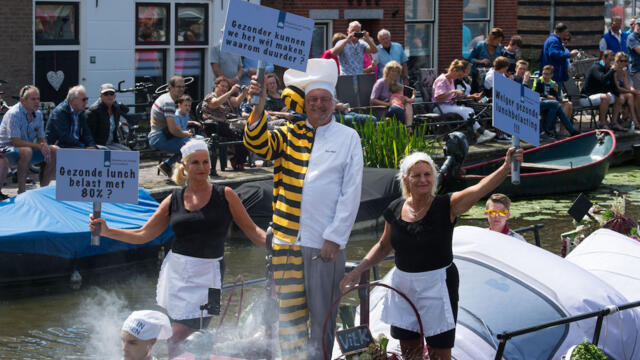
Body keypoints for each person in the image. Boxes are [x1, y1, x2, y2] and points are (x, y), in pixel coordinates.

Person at [340, 147, 523, 360]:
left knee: (440, 353)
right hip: (403, 285)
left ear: (434, 177)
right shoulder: (395, 208)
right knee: (410, 352)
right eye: (416, 175)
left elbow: (480, 189)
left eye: (427, 174)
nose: (422, 180)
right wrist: (357, 271)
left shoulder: (447, 205)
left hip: (438, 285)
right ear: (406, 179)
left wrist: (505, 167)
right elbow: (383, 246)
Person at [90, 139, 266, 358]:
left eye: (205, 162)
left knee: (183, 338)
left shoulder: (226, 194)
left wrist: (277, 245)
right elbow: (144, 234)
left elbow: (253, 231)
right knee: (184, 340)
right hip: (177, 276)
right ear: (184, 165)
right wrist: (107, 231)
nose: (202, 167)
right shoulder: (174, 199)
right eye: (195, 163)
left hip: (211, 277)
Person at [244, 58, 363, 359]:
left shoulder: (348, 138)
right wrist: (258, 104)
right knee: (289, 321)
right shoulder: (287, 133)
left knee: (323, 319)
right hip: (286, 243)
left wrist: (335, 237)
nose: (319, 105)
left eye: (324, 99)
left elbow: (351, 194)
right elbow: (257, 143)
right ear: (305, 103)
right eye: (313, 100)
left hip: (324, 244)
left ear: (333, 103)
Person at [0, 85, 57, 194]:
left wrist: (44, 146)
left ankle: (43, 190)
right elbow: (16, 142)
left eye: (38, 98)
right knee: (26, 151)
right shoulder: (14, 114)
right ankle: (21, 191)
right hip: (6, 150)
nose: (37, 102)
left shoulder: (38, 114)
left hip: (26, 149)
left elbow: (41, 137)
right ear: (23, 100)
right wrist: (39, 146)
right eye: (33, 99)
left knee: (54, 150)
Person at [432, 59, 496, 144]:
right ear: (454, 70)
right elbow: (438, 97)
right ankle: (483, 133)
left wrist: (458, 96)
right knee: (470, 110)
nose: (459, 77)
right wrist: (454, 92)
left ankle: (478, 135)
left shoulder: (454, 80)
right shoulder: (443, 80)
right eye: (458, 75)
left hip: (453, 104)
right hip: (441, 106)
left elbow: (451, 96)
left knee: (473, 110)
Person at [147, 76, 192, 177]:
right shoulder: (168, 102)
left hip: (162, 136)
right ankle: (183, 174)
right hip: (159, 138)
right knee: (192, 146)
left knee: (193, 143)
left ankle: (167, 165)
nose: (181, 89)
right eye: (178, 87)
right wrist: (186, 134)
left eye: (183, 87)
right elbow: (173, 130)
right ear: (170, 87)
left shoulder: (166, 98)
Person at [202, 76, 250, 170]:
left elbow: (236, 102)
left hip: (226, 125)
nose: (224, 89)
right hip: (213, 125)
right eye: (222, 86)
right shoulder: (210, 96)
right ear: (216, 86)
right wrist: (231, 91)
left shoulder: (227, 97)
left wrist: (244, 92)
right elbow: (215, 103)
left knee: (245, 133)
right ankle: (237, 161)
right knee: (237, 133)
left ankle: (238, 160)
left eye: (226, 87)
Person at [582, 50, 626, 130]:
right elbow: (602, 79)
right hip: (587, 97)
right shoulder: (596, 67)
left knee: (619, 97)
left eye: (612, 60)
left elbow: (613, 86)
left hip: (600, 96)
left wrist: (619, 95)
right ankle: (602, 123)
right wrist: (612, 70)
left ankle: (614, 122)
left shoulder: (609, 69)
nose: (611, 62)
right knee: (605, 97)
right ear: (603, 58)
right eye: (609, 60)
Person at [532, 65, 580, 139]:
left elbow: (556, 96)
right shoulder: (538, 81)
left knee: (562, 105)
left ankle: (548, 131)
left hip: (551, 103)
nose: (545, 76)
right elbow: (534, 93)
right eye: (543, 73)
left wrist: (554, 91)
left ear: (551, 75)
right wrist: (546, 96)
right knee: (556, 105)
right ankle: (570, 130)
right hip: (539, 102)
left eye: (547, 74)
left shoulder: (553, 83)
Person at [46, 85, 96, 149]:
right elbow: (64, 136)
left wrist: (92, 146)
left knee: (102, 150)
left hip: (76, 145)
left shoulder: (81, 112)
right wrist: (83, 146)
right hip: (60, 146)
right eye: (84, 100)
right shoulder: (59, 112)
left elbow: (87, 133)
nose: (86, 102)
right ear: (74, 100)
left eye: (87, 99)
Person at [86, 83, 131, 151]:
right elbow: (88, 134)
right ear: (100, 96)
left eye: (111, 94)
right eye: (106, 94)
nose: (109, 96)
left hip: (111, 143)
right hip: (98, 144)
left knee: (128, 151)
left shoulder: (116, 109)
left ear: (115, 96)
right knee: (109, 151)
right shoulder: (93, 111)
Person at [540, 23, 580, 91]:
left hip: (552, 74)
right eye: (564, 34)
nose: (564, 37)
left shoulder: (552, 40)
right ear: (559, 33)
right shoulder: (554, 41)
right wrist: (569, 54)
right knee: (555, 97)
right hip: (554, 75)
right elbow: (554, 54)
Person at [469, 27, 504, 92]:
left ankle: (488, 101)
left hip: (492, 77)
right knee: (482, 95)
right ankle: (481, 101)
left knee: (491, 94)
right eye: (498, 40)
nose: (499, 42)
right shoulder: (480, 45)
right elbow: (470, 59)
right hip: (479, 78)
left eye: (500, 41)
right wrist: (481, 61)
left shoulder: (499, 47)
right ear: (492, 38)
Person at [612, 52, 640, 129]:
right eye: (621, 61)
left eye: (625, 61)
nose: (623, 63)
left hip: (621, 91)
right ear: (617, 61)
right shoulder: (613, 70)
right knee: (630, 95)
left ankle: (634, 119)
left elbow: (627, 85)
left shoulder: (623, 70)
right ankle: (633, 120)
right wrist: (632, 91)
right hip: (613, 91)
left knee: (634, 95)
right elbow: (617, 87)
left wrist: (635, 91)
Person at [627, 21, 640, 89]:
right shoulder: (632, 37)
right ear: (635, 25)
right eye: (639, 25)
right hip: (637, 70)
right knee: (638, 94)